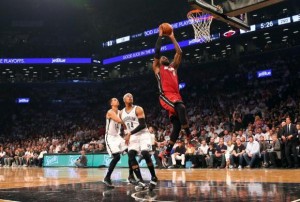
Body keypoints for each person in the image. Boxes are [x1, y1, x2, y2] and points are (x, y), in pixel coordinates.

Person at [152, 24, 191, 157]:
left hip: (175, 96)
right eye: (162, 58)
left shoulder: (173, 67)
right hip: (165, 96)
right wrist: (160, 36)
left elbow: (179, 53)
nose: (163, 57)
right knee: (181, 107)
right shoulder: (157, 68)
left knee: (177, 126)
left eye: (165, 57)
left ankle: (167, 152)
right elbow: (157, 52)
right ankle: (189, 136)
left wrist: (172, 37)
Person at [121, 93, 158, 191]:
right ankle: (140, 180)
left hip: (143, 134)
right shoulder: (121, 113)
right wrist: (127, 135)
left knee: (145, 153)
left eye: (132, 97)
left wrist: (130, 133)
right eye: (128, 97)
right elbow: (124, 126)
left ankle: (154, 177)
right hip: (132, 136)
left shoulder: (138, 109)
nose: (131, 98)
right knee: (131, 154)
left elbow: (142, 125)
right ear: (124, 100)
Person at [102, 98, 129, 188]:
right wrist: (126, 123)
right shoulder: (110, 112)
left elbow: (126, 117)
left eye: (117, 99)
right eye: (114, 100)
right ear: (111, 103)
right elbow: (118, 120)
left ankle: (132, 176)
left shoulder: (120, 112)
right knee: (117, 157)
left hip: (117, 136)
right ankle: (107, 178)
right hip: (110, 137)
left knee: (131, 151)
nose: (116, 100)